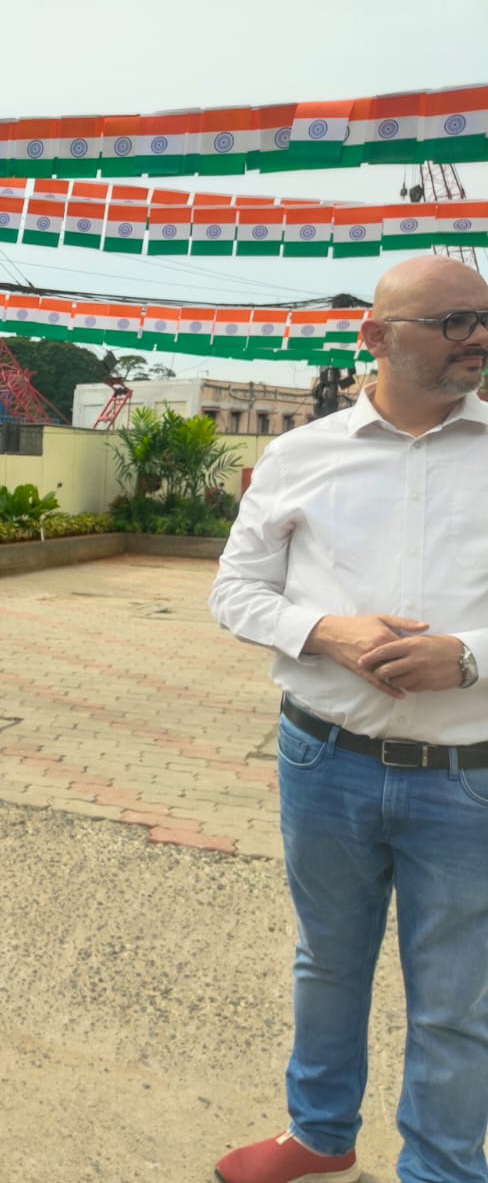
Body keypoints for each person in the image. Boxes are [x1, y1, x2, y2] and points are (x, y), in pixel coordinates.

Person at [209, 256, 488, 1183]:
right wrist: (324, 632)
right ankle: (321, 1135)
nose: (477, 339)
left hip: (468, 775)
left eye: (484, 319)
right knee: (327, 963)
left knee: (456, 1001)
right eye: (452, 322)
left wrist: (469, 656)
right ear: (375, 336)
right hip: (324, 762)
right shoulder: (302, 454)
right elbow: (237, 592)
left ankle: (443, 1170)